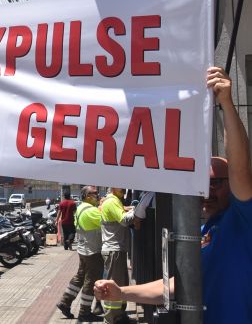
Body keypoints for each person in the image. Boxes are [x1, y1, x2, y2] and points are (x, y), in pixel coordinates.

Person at [95, 66, 252, 324]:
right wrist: (122, 292)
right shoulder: (204, 233)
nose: (208, 191)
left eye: (217, 183)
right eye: (204, 184)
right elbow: (178, 285)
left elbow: (240, 168)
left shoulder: (243, 217)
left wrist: (226, 103)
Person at [56, 185, 105, 321]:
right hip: (92, 251)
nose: (98, 195)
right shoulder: (91, 210)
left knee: (80, 276)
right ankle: (84, 312)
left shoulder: (81, 207)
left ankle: (65, 302)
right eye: (95, 193)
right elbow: (108, 220)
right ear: (87, 196)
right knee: (90, 281)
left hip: (83, 249)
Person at [100, 187, 135, 324]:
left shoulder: (113, 200)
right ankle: (111, 318)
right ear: (113, 188)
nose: (124, 190)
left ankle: (119, 315)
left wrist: (130, 208)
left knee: (120, 284)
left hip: (116, 250)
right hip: (113, 250)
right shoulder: (112, 201)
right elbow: (124, 220)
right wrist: (138, 211)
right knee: (113, 285)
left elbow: (121, 211)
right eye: (121, 187)